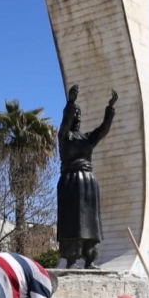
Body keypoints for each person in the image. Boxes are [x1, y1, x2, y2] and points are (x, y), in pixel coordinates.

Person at [57, 84, 117, 269]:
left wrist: (110, 108)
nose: (77, 117)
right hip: (70, 182)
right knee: (72, 222)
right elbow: (65, 125)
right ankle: (72, 259)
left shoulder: (88, 138)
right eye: (75, 114)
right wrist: (70, 103)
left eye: (78, 114)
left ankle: (90, 258)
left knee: (91, 224)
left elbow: (103, 129)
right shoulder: (64, 137)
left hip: (89, 183)